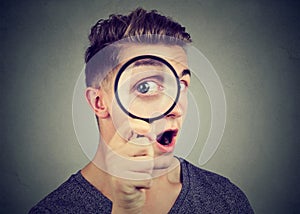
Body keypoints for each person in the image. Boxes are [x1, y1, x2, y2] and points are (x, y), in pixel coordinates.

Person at [29, 8, 254, 213]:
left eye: (182, 85)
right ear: (99, 102)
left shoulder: (226, 200)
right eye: (146, 86)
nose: (176, 108)